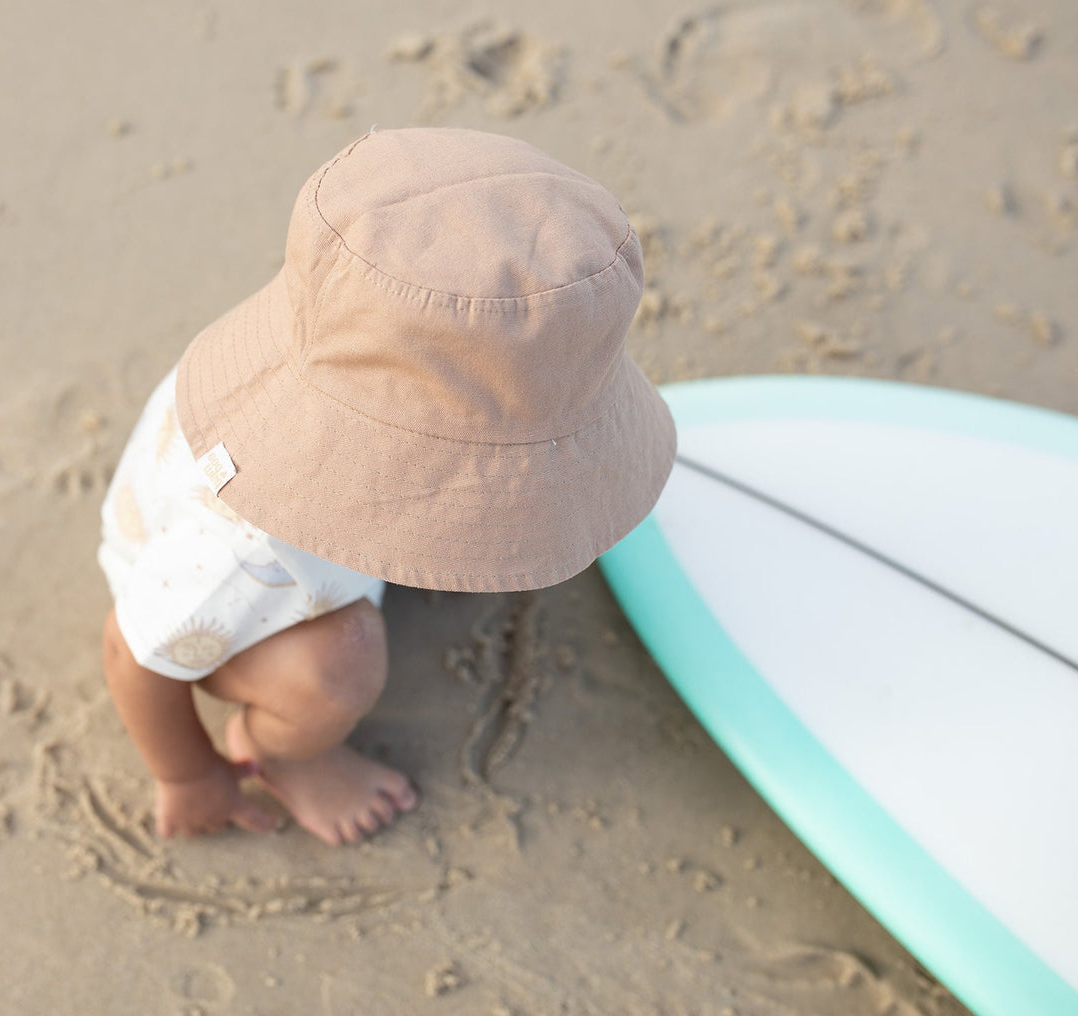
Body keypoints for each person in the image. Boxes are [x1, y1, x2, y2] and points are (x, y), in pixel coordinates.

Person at [98, 126, 675, 846]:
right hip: (243, 600)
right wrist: (189, 774)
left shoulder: (371, 316)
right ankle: (288, 752)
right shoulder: (244, 542)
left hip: (299, 500)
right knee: (336, 664)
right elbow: (130, 649)